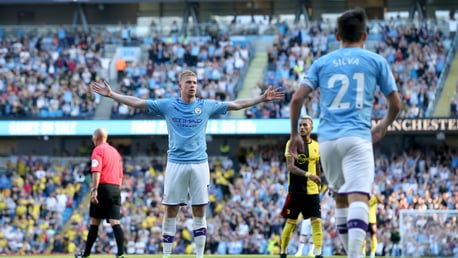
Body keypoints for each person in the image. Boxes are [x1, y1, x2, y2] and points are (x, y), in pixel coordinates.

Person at [90, 70, 284, 258]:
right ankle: (167, 255)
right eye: (189, 82)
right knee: (171, 210)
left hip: (199, 164)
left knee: (199, 210)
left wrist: (261, 98)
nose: (193, 85)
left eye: (195, 82)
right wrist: (112, 94)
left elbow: (235, 104)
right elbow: (139, 103)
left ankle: (199, 256)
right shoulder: (168, 105)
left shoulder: (205, 105)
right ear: (180, 85)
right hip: (176, 164)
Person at [288, 7, 401, 258]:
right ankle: (355, 255)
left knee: (339, 197)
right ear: (365, 36)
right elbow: (396, 105)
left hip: (327, 140)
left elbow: (296, 99)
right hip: (357, 137)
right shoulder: (375, 60)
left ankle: (351, 253)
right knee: (358, 196)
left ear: (337, 36)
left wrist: (295, 134)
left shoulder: (322, 63)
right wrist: (382, 126)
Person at [76, 128, 125, 258]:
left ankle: (86, 254)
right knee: (115, 222)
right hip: (115, 188)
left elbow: (96, 171)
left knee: (94, 222)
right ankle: (120, 254)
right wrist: (117, 190)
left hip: (103, 187)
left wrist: (94, 190)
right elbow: (120, 175)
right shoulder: (116, 152)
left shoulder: (97, 150)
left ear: (96, 138)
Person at [280, 115, 323, 258]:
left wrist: (318, 180)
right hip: (296, 190)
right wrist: (308, 175)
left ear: (311, 128)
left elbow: (317, 165)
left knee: (316, 220)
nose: (302, 128)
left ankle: (318, 253)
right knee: (291, 222)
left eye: (305, 125)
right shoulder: (292, 143)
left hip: (312, 190)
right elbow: (290, 167)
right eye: (300, 125)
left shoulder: (316, 146)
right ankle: (283, 251)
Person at [362, 188, 381, 258]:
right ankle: (363, 253)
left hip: (373, 221)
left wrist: (375, 194)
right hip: (364, 220)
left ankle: (372, 253)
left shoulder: (374, 198)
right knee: (363, 237)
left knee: (373, 237)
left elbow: (381, 201)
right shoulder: (364, 199)